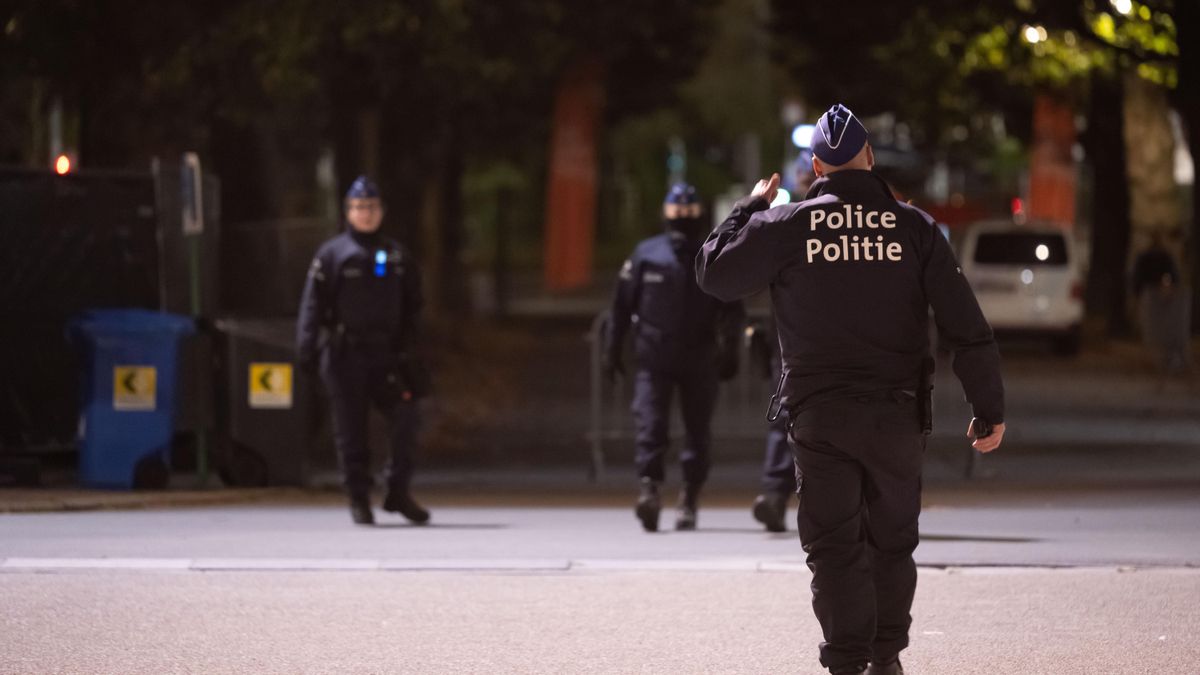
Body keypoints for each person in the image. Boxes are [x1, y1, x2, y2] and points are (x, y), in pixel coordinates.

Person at [696, 104, 1006, 675]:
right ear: (868, 157)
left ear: (816, 166)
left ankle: (847, 663)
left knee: (834, 546)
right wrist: (989, 408)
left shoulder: (786, 227)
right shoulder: (913, 228)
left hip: (820, 419)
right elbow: (966, 324)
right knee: (891, 543)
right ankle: (885, 659)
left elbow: (714, 273)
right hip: (897, 416)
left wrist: (748, 209)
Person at [604, 182, 745, 532]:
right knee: (651, 427)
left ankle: (689, 498)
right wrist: (611, 348)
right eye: (676, 211)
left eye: (689, 211)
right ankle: (649, 491)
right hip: (654, 358)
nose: (683, 217)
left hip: (700, 358)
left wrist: (730, 349)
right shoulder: (646, 254)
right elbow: (621, 306)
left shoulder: (711, 254)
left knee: (698, 432)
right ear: (666, 213)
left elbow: (731, 307)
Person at [296, 175, 431, 526]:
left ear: (381, 211)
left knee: (406, 416)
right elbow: (312, 306)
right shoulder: (332, 254)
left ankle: (397, 490)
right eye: (358, 207)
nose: (365, 213)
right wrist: (306, 350)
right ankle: (358, 498)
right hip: (345, 355)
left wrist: (410, 349)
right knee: (350, 431)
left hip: (387, 354)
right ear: (347, 212)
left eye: (371, 207)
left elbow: (414, 306)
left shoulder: (398, 255)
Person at [751, 150, 818, 533]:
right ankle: (776, 496)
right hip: (793, 340)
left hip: (804, 341)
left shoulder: (789, 223)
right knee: (787, 419)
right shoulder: (788, 222)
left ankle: (785, 496)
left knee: (803, 420)